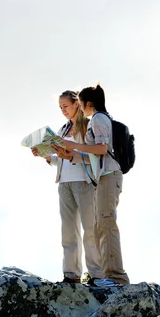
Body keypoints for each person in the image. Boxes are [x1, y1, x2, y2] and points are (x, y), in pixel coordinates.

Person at [31, 90, 104, 285]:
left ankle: (97, 275)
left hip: (85, 183)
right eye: (60, 107)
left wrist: (70, 155)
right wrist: (46, 156)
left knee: (90, 229)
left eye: (66, 106)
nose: (63, 110)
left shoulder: (88, 127)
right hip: (64, 184)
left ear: (76, 104)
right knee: (68, 231)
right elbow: (61, 161)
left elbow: (96, 158)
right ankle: (71, 275)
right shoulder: (62, 130)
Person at [61, 84, 130, 286]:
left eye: (81, 104)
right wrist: (72, 155)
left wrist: (74, 145)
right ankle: (111, 276)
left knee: (106, 225)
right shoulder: (98, 118)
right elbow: (93, 153)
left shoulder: (99, 118)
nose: (80, 109)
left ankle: (116, 278)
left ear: (88, 103)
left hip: (109, 176)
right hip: (104, 177)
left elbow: (101, 148)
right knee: (102, 226)